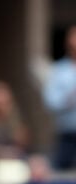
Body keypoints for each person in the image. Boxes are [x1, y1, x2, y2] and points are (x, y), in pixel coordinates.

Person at [43, 25, 76, 170]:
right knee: (61, 173)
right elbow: (50, 101)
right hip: (67, 133)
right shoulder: (59, 70)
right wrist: (69, 99)